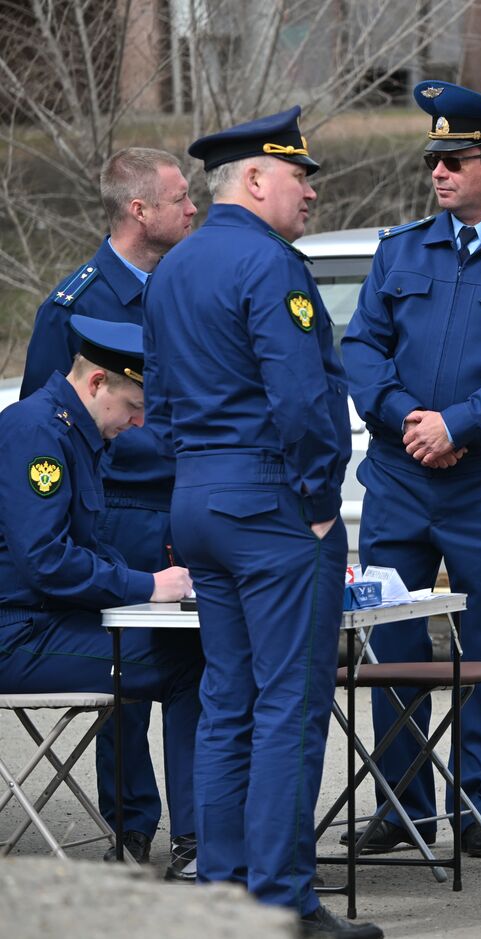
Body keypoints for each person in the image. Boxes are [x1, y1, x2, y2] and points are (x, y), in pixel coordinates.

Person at [142, 108, 375, 939]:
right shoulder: (269, 264)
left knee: (228, 697)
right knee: (289, 701)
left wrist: (194, 485)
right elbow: (305, 399)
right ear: (253, 179)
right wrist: (316, 505)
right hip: (272, 507)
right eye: (298, 176)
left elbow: (159, 404)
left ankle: (226, 889)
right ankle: (280, 900)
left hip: (200, 499)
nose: (309, 191)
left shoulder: (173, 267)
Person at [339, 82, 481, 859]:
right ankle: (402, 805)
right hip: (400, 477)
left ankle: (479, 810)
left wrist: (460, 424)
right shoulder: (402, 249)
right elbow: (361, 348)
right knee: (390, 647)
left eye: (456, 158)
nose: (439, 171)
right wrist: (407, 418)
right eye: (433, 157)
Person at [19, 146, 199, 871]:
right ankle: (130, 825)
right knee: (122, 676)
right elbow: (50, 429)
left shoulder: (186, 285)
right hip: (116, 510)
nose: (193, 209)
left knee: (190, 653)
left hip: (185, 510)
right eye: (181, 197)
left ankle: (197, 832)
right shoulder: (75, 302)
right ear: (139, 210)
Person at [0, 316, 200, 881]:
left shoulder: (71, 432)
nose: (139, 422)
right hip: (19, 635)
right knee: (192, 667)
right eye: (134, 405)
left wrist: (159, 584)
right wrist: (145, 587)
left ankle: (198, 835)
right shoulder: (36, 432)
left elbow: (85, 546)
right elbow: (46, 561)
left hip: (45, 624)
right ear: (95, 385)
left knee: (196, 652)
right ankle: (197, 843)